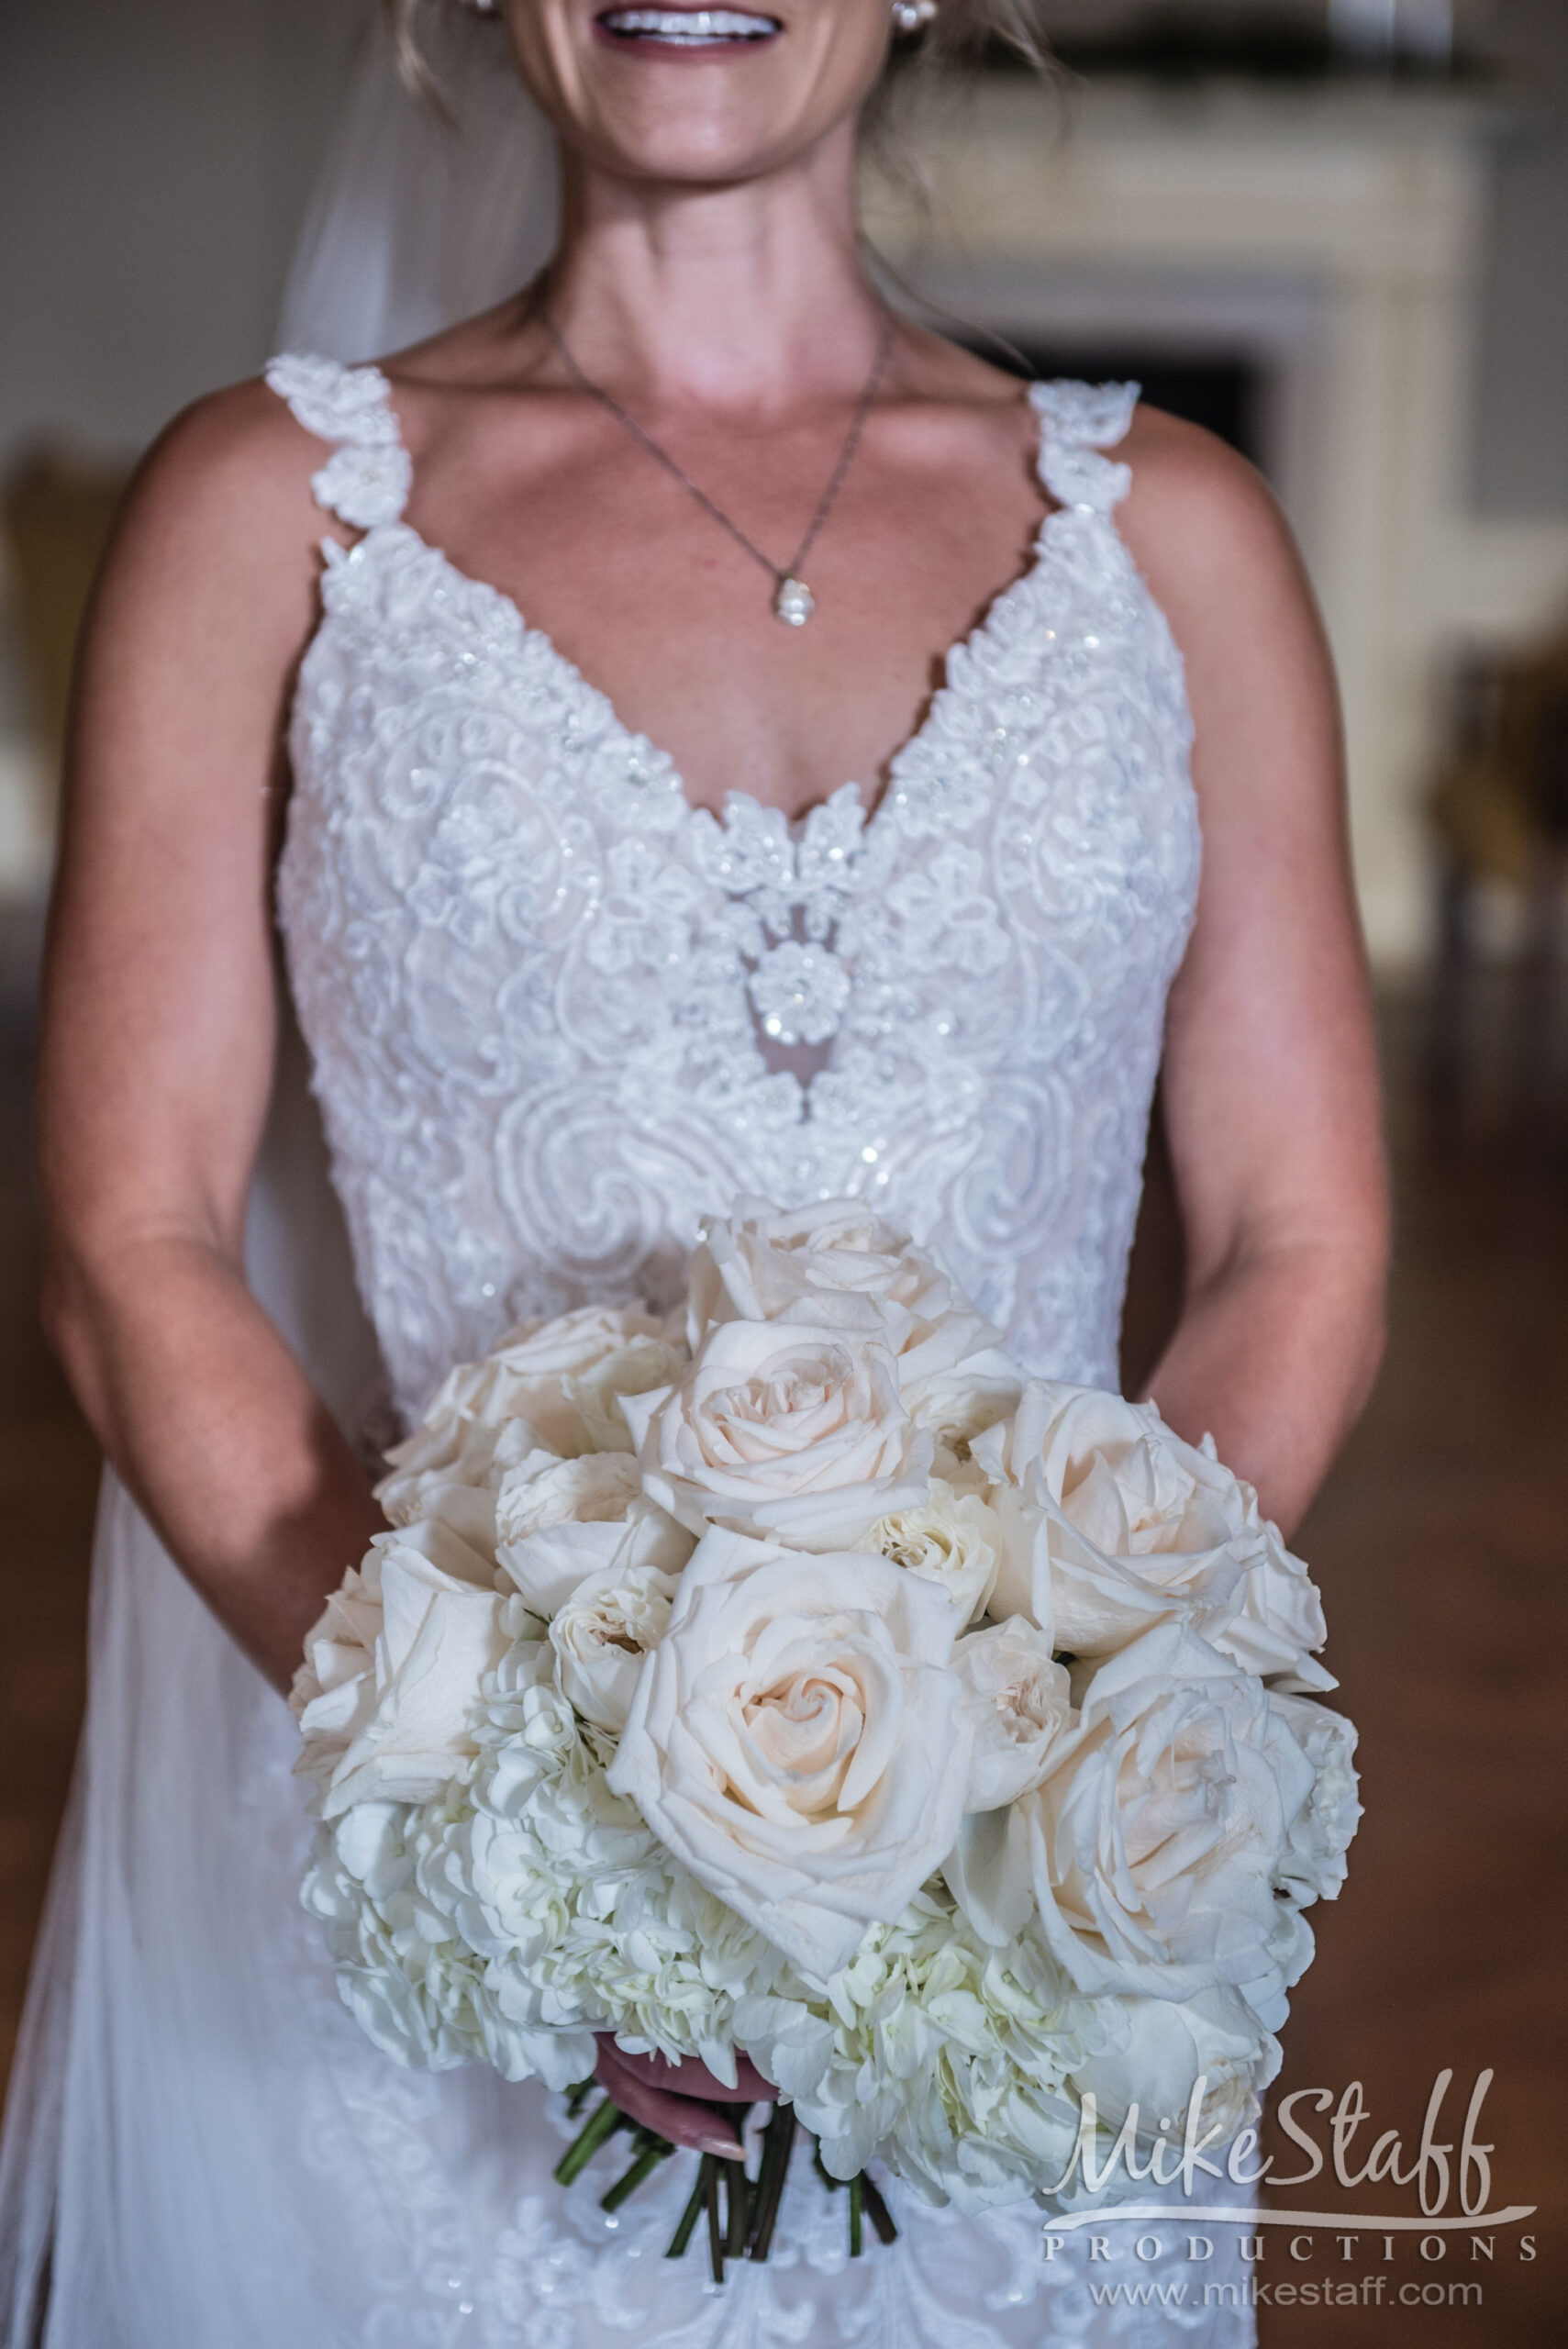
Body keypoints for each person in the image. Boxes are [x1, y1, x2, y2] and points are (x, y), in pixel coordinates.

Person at [1, 0, 1388, 2341]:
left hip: (1028, 1943)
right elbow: (128, 1246)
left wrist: (1014, 1768)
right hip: (437, 1933)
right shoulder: (267, 509)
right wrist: (542, 1834)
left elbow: (1300, 1234)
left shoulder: (1185, 543)